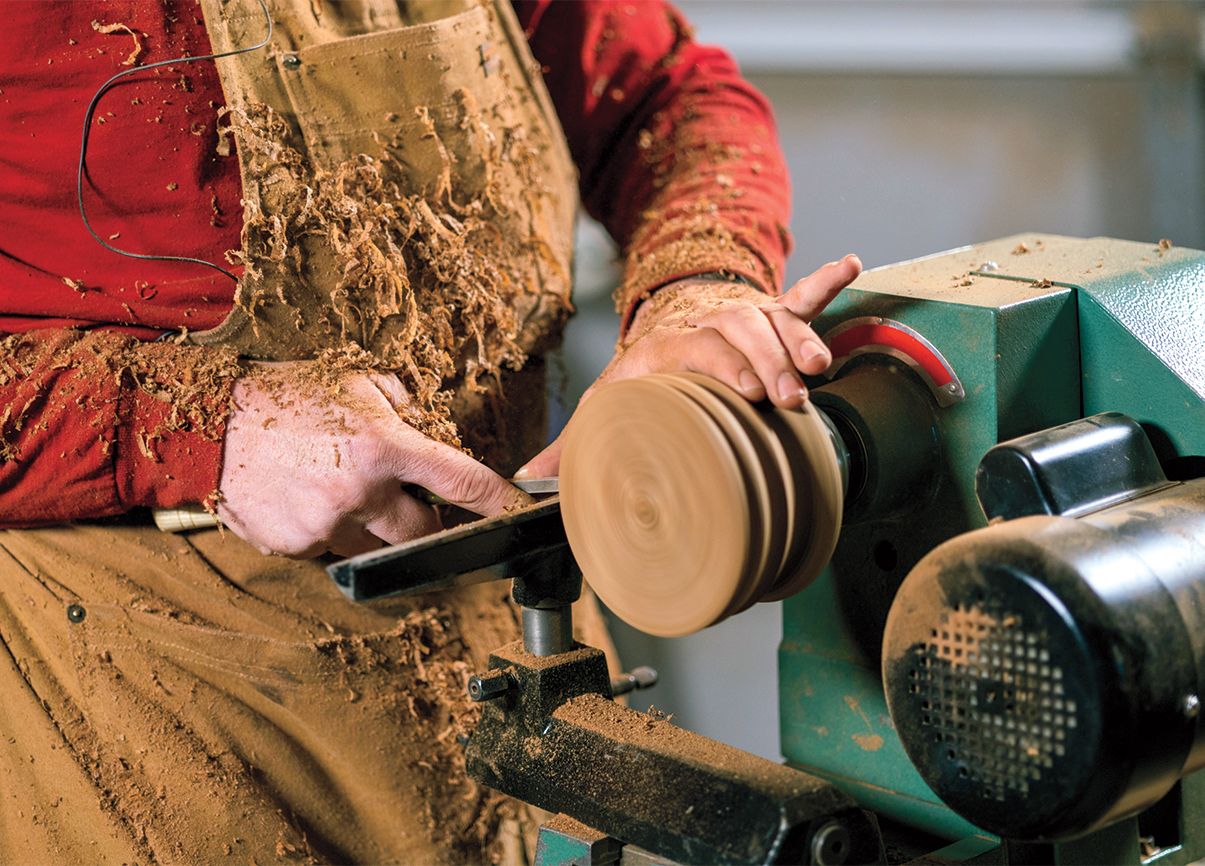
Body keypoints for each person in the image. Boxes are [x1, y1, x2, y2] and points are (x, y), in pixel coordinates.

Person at [0, 0, 861, 862]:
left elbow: (661, 98)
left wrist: (697, 285)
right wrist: (207, 427)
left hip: (523, 604)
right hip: (158, 683)